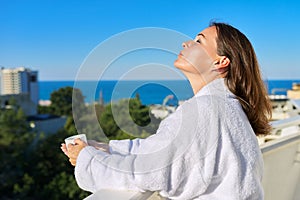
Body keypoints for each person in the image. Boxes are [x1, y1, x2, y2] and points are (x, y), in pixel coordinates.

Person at [61, 22, 271, 199]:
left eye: (199, 41)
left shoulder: (206, 108)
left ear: (221, 61)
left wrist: (89, 159)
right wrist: (105, 149)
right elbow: (160, 148)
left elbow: (153, 171)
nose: (186, 43)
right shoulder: (224, 105)